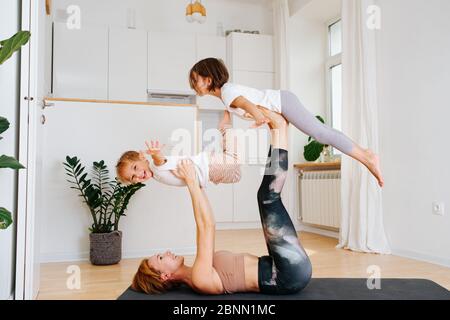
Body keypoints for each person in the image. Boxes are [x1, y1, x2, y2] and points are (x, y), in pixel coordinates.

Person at [131, 113, 312, 295]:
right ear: (164, 276)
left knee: (264, 196)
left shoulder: (198, 269)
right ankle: (278, 128)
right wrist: (192, 183)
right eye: (161, 257)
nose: (167, 252)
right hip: (288, 273)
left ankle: (278, 131)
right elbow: (207, 226)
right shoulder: (199, 279)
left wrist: (196, 183)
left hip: (279, 265)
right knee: (267, 197)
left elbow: (207, 219)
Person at [188, 57, 384, 187]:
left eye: (195, 80)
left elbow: (246, 103)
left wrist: (258, 117)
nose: (194, 84)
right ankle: (365, 154)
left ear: (208, 79)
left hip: (282, 102)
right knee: (322, 131)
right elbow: (242, 105)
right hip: (283, 101)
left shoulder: (228, 93)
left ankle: (366, 156)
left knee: (320, 133)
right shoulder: (227, 94)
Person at [116, 125, 241, 187]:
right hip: (209, 176)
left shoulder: (155, 167)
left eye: (135, 168)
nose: (137, 175)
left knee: (234, 160)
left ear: (142, 157)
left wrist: (155, 154)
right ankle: (225, 134)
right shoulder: (155, 175)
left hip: (208, 165)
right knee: (236, 176)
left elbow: (160, 161)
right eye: (133, 177)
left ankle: (225, 127)